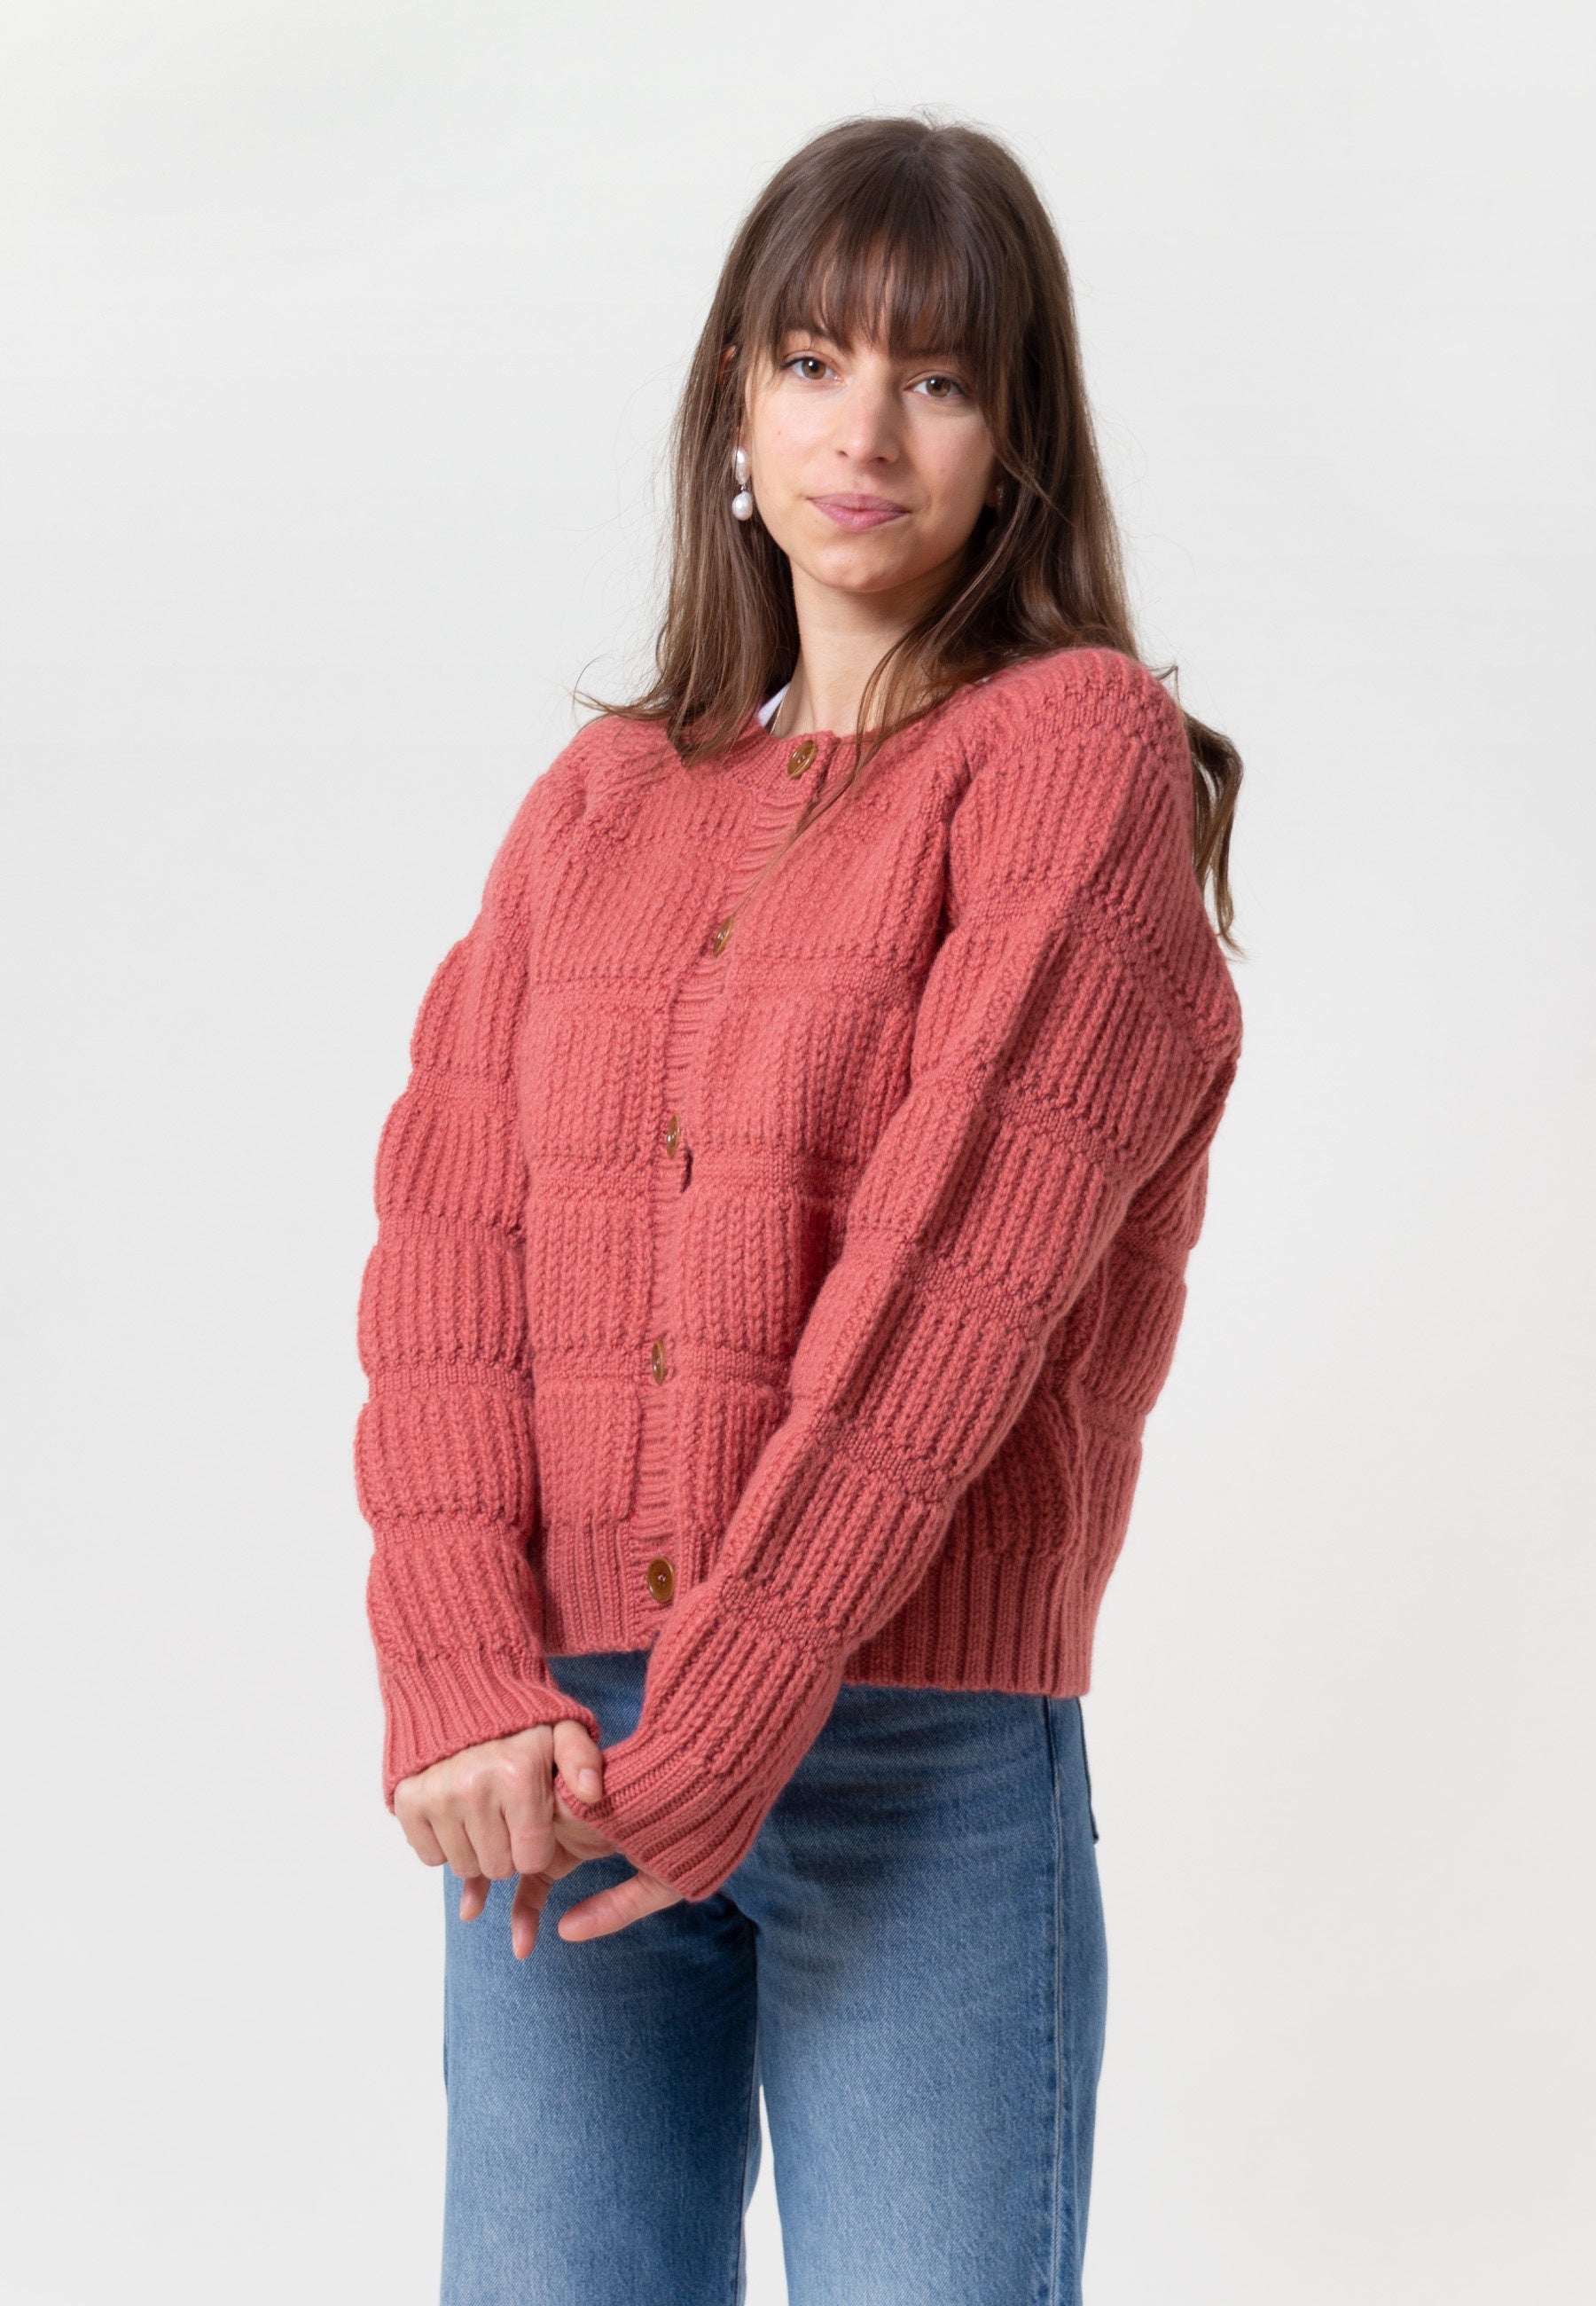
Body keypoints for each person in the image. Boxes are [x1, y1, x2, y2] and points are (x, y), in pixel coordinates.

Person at [355, 111, 1244, 2306]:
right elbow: (449, 1263)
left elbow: (958, 1274)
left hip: (910, 1749)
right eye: (815, 362)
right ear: (734, 407)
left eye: (939, 379)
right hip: (562, 1757)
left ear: (1015, 441)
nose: (865, 433)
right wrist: (459, 1669)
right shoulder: (599, 802)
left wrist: (741, 1702)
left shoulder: (1072, 754)